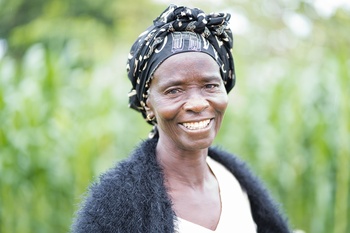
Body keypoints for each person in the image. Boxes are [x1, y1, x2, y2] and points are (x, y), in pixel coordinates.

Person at [72, 4, 291, 233]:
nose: (197, 104)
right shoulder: (115, 205)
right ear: (148, 105)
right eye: (174, 90)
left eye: (210, 85)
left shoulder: (235, 181)